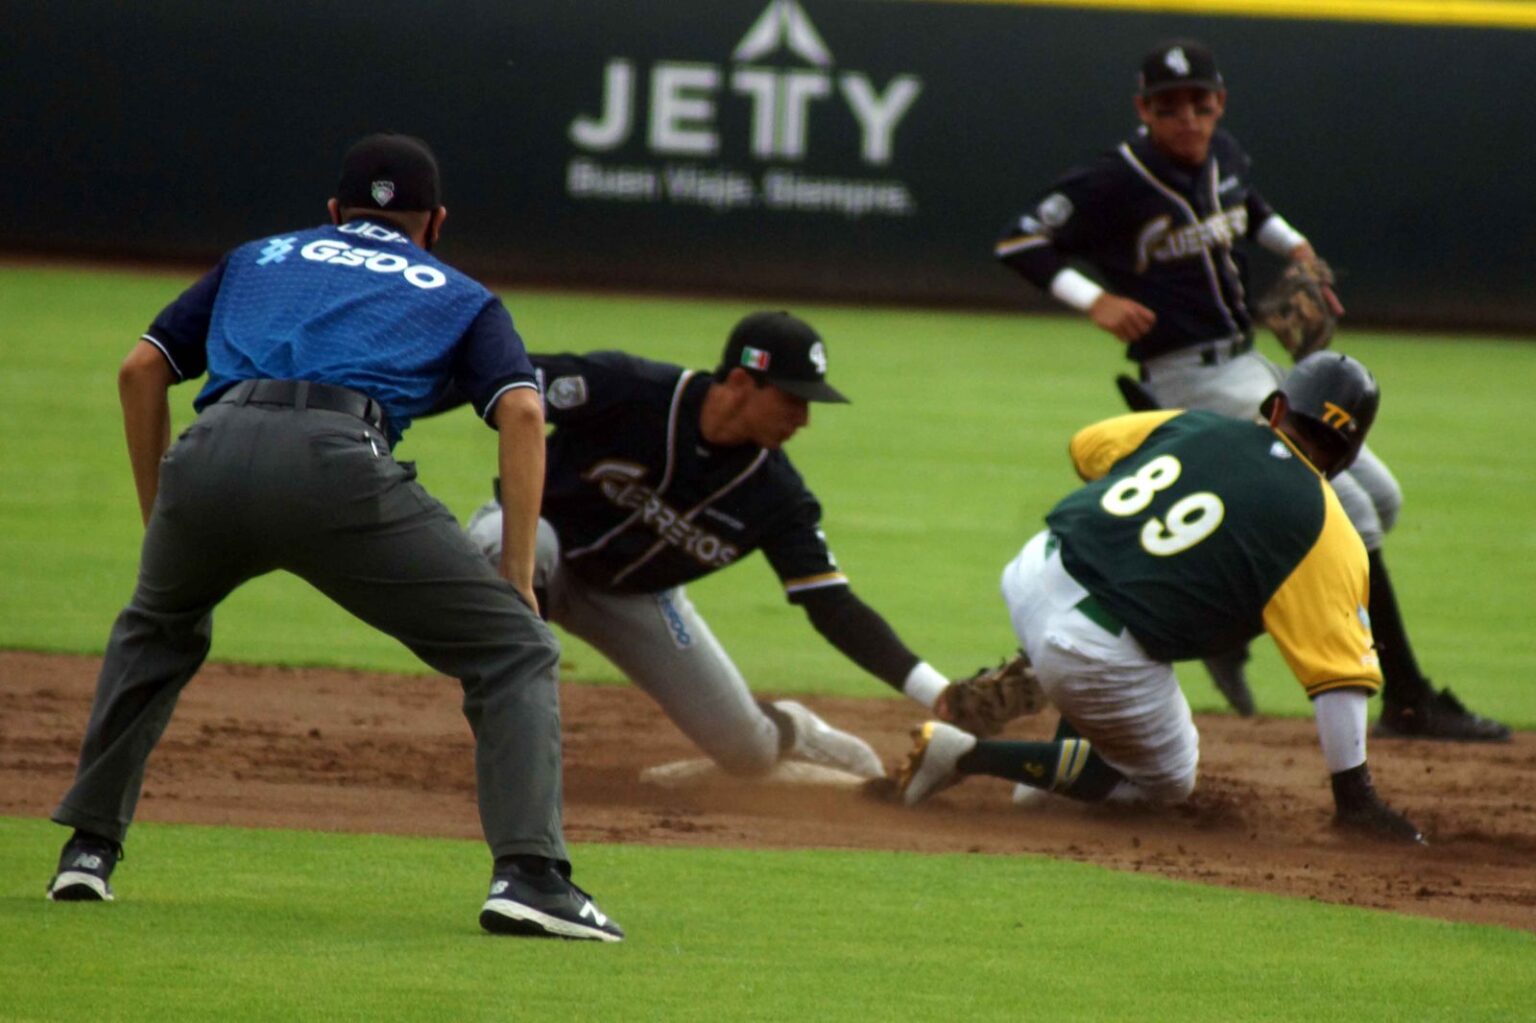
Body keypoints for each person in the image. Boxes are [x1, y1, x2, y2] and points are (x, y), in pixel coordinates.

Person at [45, 134, 623, 941]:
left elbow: (141, 369)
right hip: (337, 465)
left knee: (159, 624)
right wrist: (519, 575)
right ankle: (530, 876)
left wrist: (163, 518)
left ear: (332, 212)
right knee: (514, 647)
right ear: (436, 222)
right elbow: (524, 411)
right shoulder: (457, 290)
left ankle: (87, 850)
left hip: (209, 455)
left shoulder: (259, 257)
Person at [993, 39, 1507, 741]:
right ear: (1144, 109)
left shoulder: (1225, 155)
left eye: (1200, 104)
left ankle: (1230, 619)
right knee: (1346, 515)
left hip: (1256, 369)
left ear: (1220, 104)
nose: (1188, 118)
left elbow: (1251, 208)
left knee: (1380, 498)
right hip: (1188, 376)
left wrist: (1293, 245)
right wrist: (1093, 300)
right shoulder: (1112, 179)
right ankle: (1409, 698)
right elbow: (1020, 240)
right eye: (1169, 106)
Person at [464, 312, 1041, 780]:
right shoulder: (632, 390)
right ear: (741, 382)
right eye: (792, 399)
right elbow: (493, 375)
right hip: (540, 548)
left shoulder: (777, 497)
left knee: (747, 752)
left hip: (638, 600)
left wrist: (938, 694)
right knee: (505, 544)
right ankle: (515, 742)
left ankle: (794, 727)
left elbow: (832, 605)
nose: (804, 419)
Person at [898, 354, 1424, 844]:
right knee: (1166, 780)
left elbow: (1089, 447)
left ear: (1278, 405)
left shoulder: (1196, 424)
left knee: (1120, 636)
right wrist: (1357, 801)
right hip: (1094, 646)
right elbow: (1340, 681)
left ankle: (1058, 718)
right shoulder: (1326, 528)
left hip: (1036, 569)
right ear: (1350, 452)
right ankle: (965, 757)